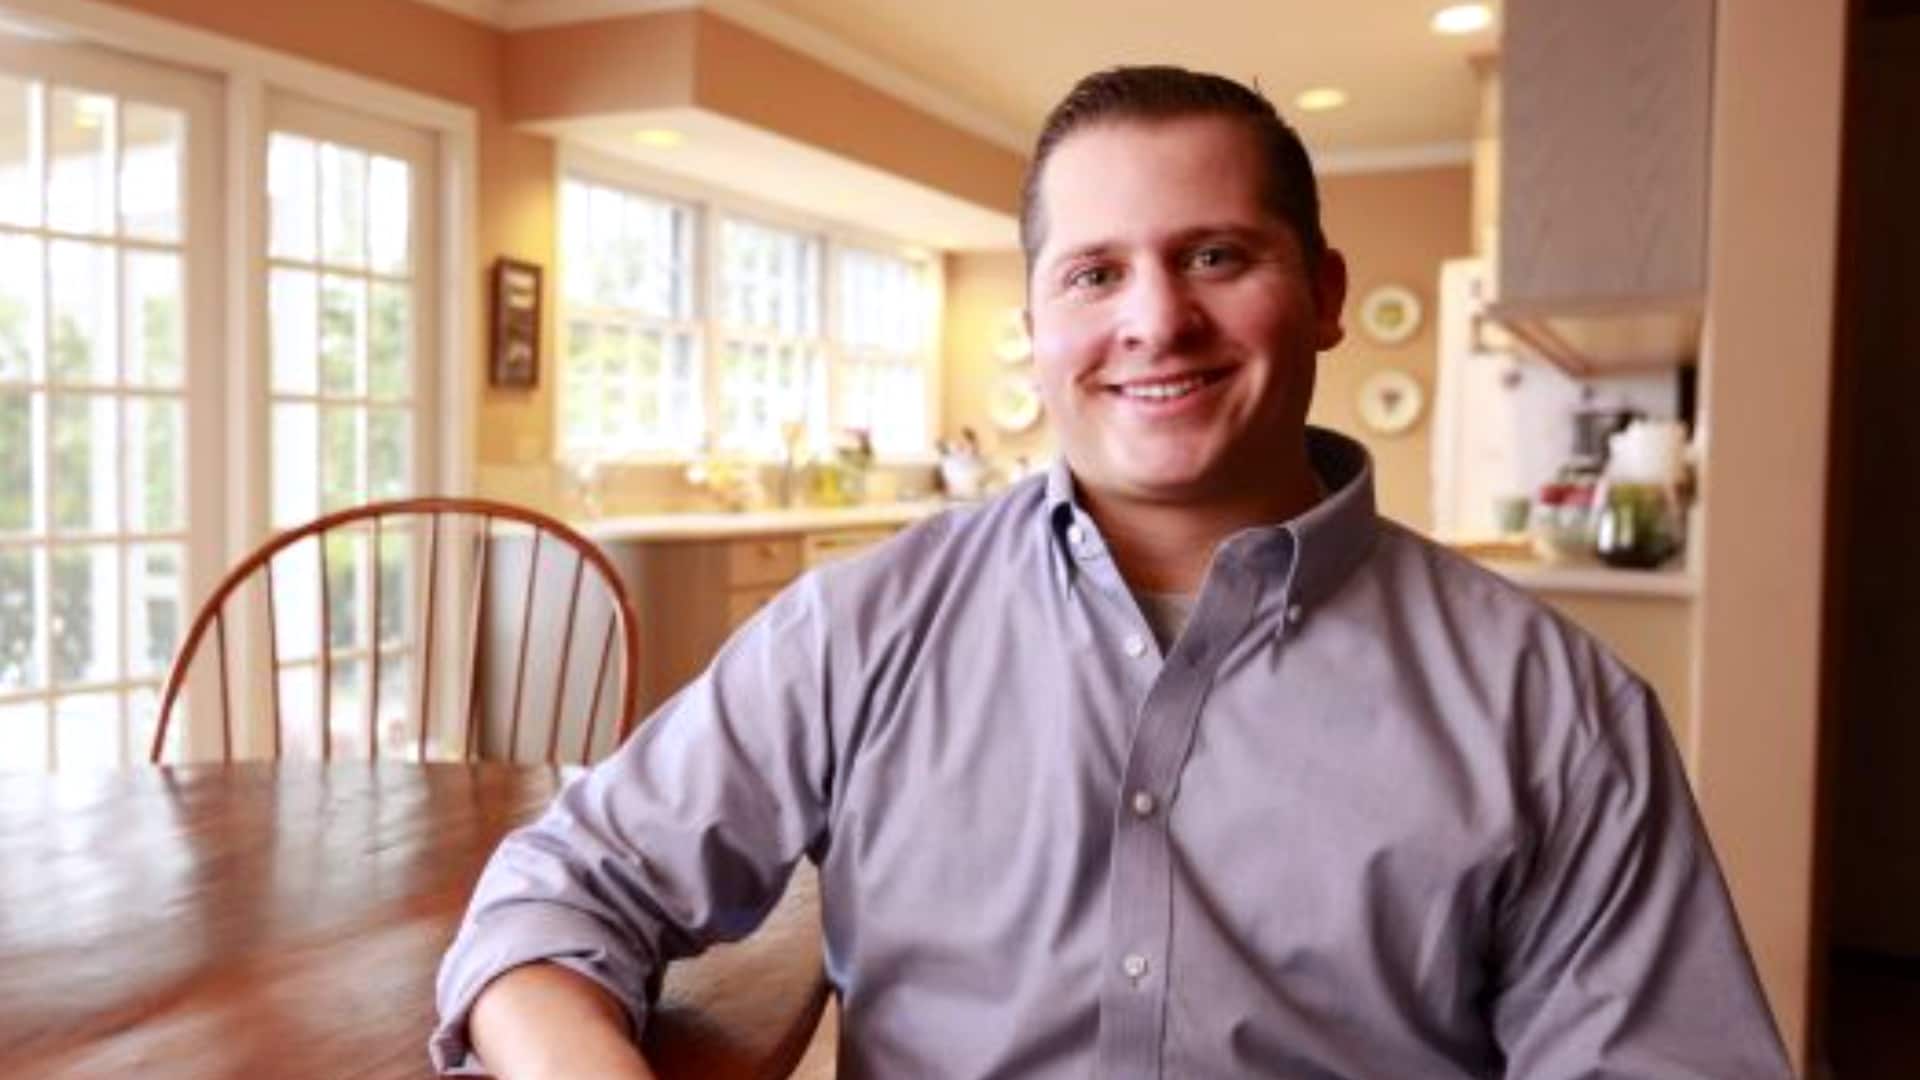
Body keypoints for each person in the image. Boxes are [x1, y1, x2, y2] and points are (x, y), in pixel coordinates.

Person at [433, 65, 1792, 1078]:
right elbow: (557, 896)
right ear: (1033, 327)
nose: (1155, 320)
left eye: (1215, 255)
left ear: (1319, 294)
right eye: (1094, 274)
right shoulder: (861, 629)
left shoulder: (1551, 704)